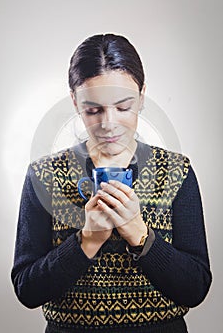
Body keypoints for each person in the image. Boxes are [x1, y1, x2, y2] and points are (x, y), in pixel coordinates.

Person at [11, 34, 212, 333]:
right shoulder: (44, 175)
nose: (109, 123)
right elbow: (27, 290)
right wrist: (87, 240)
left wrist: (139, 235)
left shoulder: (176, 171)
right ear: (74, 101)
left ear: (142, 96)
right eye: (93, 110)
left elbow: (195, 288)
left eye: (123, 107)